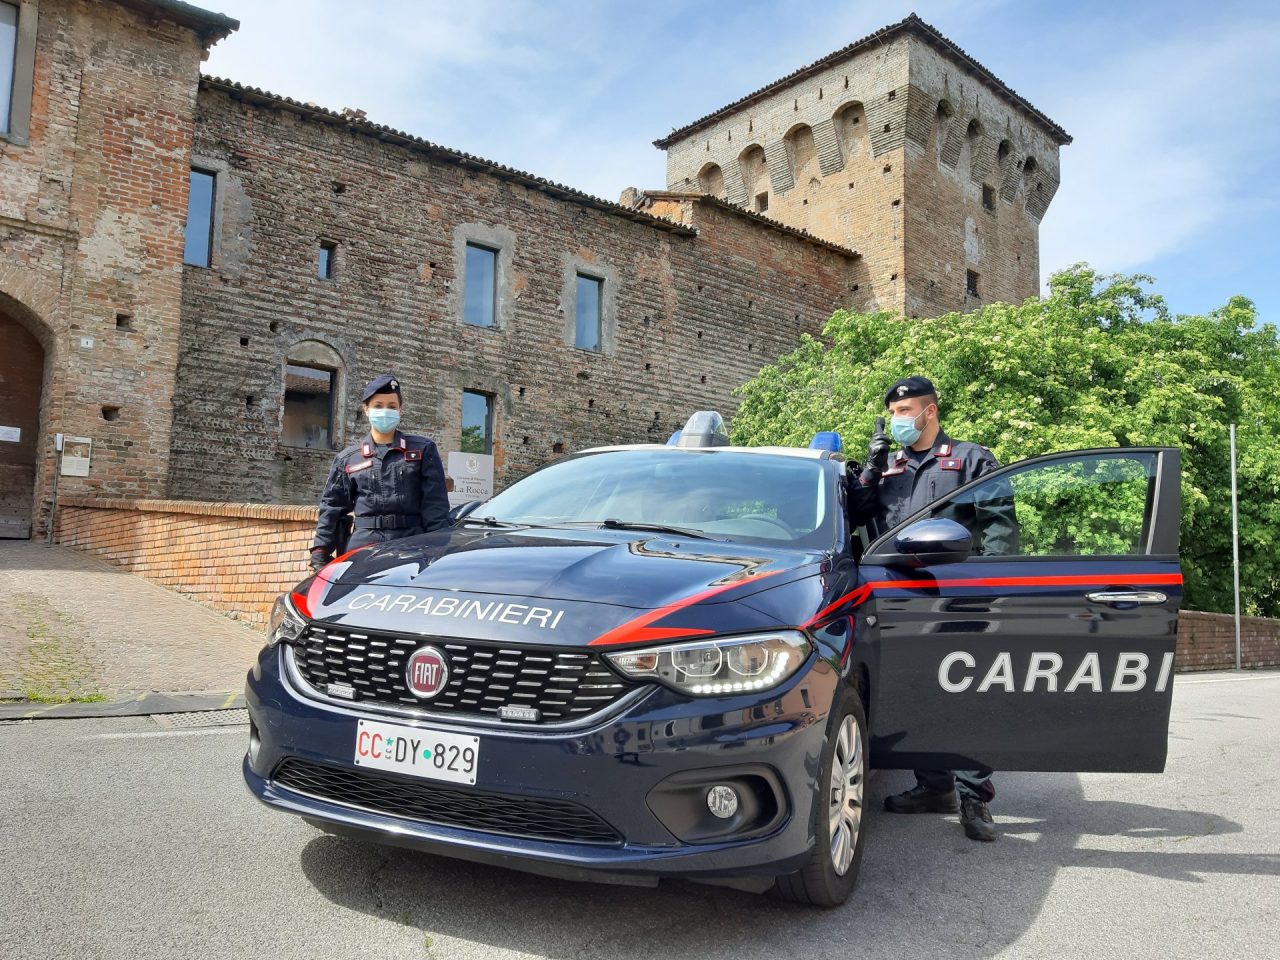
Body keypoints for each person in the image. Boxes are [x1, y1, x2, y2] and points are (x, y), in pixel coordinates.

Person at [846, 375, 1016, 842]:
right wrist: (871, 466)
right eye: (894, 414)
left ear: (929, 412)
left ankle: (974, 797)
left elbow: (1000, 528)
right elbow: (856, 515)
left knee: (963, 697)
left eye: (905, 412)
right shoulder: (888, 467)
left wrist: (989, 589)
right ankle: (933, 785)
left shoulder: (970, 460)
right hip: (896, 598)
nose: (898, 420)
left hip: (956, 598)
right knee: (911, 692)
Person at [309, 374, 451, 572]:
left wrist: (439, 548)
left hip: (413, 545)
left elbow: (435, 507)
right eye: (378, 405)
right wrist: (320, 552)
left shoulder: (423, 450)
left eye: (391, 406)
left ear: (400, 410)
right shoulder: (348, 458)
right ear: (366, 410)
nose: (385, 411)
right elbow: (332, 507)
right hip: (363, 548)